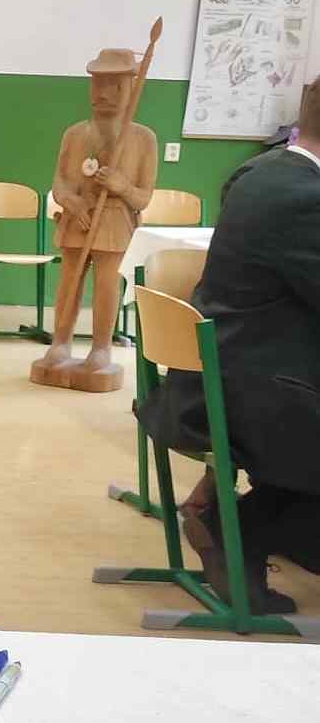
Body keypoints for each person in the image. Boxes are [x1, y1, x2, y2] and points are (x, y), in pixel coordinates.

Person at [139, 76, 320, 610]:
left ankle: (248, 527)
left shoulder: (261, 172)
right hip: (255, 396)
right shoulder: (304, 198)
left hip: (219, 377)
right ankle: (235, 527)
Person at [33, 48, 158, 384]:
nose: (103, 93)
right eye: (98, 83)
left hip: (115, 221)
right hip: (78, 217)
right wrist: (71, 201)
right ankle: (60, 342)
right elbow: (60, 181)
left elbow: (144, 197)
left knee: (106, 284)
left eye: (115, 85)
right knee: (69, 282)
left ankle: (101, 347)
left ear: (131, 87)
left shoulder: (143, 139)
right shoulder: (75, 134)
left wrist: (122, 186)